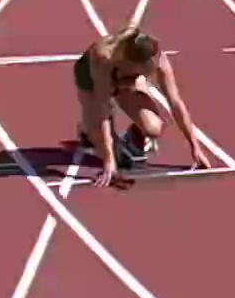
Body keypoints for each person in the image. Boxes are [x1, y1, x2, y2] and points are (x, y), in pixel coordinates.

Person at [73, 26, 209, 188]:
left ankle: (132, 137)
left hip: (127, 82)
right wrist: (109, 161)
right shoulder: (103, 58)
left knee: (154, 128)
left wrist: (195, 148)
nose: (154, 70)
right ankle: (87, 129)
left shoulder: (157, 59)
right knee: (106, 148)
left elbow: (175, 102)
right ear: (134, 63)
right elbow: (104, 109)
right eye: (148, 68)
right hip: (91, 81)